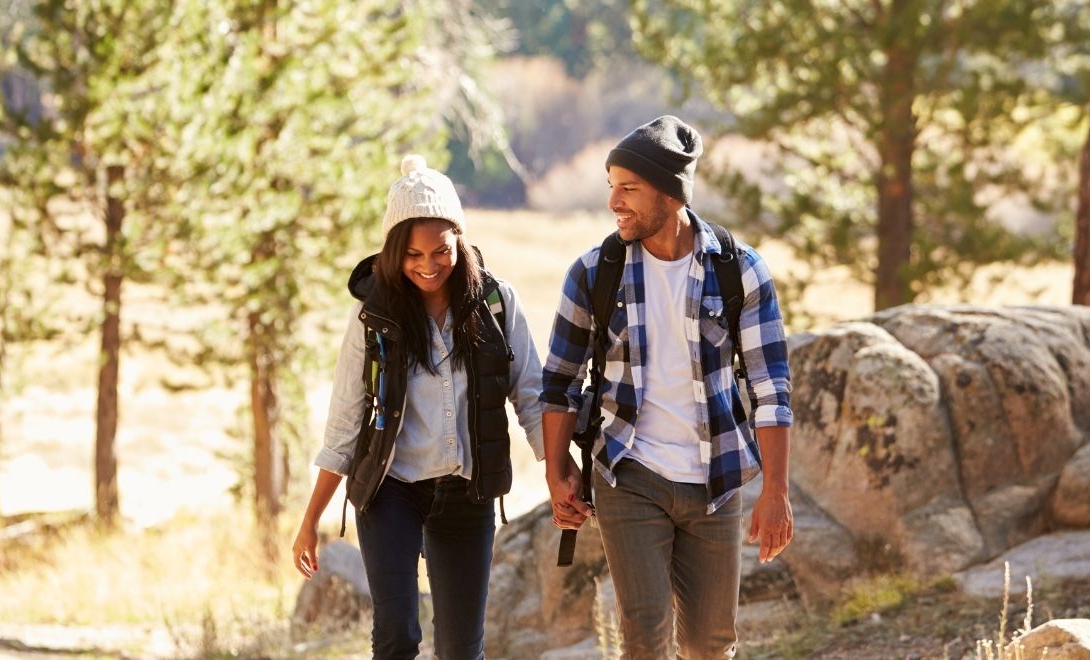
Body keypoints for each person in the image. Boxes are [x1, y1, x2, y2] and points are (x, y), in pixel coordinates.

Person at [539, 115, 795, 659]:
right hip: (628, 473)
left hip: (715, 478)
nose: (615, 202)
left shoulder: (740, 271)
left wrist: (776, 492)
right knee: (645, 636)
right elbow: (559, 382)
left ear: (672, 195)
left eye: (629, 188)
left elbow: (772, 388)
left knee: (710, 642)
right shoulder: (593, 272)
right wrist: (556, 470)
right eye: (612, 187)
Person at [292, 155, 545, 660]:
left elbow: (531, 396)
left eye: (440, 251)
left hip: (466, 494)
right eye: (412, 254)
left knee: (459, 648)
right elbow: (344, 422)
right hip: (391, 492)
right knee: (398, 634)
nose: (428, 265)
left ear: (460, 241)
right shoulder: (373, 316)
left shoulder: (495, 303)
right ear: (392, 252)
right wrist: (310, 519)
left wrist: (559, 474)